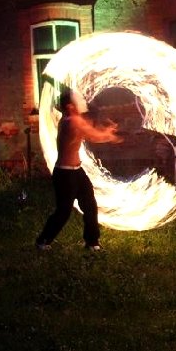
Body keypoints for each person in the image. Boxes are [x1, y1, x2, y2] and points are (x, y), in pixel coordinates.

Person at [35, 89, 123, 251]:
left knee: (89, 205)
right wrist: (112, 135)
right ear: (70, 106)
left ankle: (92, 242)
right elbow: (96, 136)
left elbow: (90, 129)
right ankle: (43, 240)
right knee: (63, 212)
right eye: (77, 100)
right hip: (66, 174)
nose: (82, 101)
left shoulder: (68, 120)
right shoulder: (72, 121)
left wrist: (107, 129)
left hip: (76, 171)